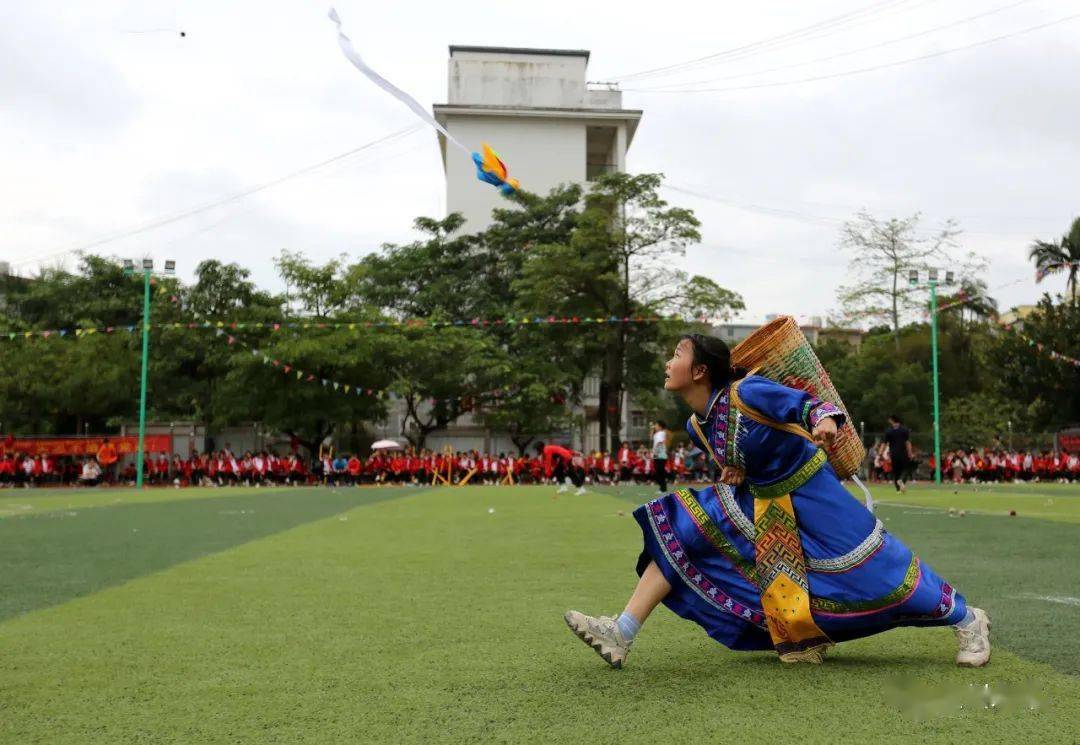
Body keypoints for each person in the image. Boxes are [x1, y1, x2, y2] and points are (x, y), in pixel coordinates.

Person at [564, 333, 990, 669]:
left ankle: (968, 620)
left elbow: (805, 406)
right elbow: (739, 458)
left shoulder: (748, 392)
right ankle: (622, 631)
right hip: (760, 502)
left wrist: (823, 421)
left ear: (700, 370)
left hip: (813, 494)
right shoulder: (698, 425)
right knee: (684, 529)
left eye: (677, 353)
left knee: (882, 574)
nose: (667, 362)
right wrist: (735, 472)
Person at [884, 415, 914, 492]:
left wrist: (881, 453)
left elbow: (885, 443)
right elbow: (907, 442)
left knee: (896, 471)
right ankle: (901, 480)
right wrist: (910, 453)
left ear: (892, 420)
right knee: (906, 468)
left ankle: (898, 489)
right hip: (903, 453)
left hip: (893, 454)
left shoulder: (889, 431)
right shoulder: (904, 430)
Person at [651, 421, 669, 495]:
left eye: (656, 425)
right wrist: (652, 429)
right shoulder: (656, 434)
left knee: (660, 471)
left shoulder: (662, 433)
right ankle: (662, 488)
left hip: (661, 453)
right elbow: (651, 437)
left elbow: (662, 442)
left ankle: (663, 488)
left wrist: (659, 451)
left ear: (660, 426)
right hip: (656, 454)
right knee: (657, 471)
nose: (655, 426)